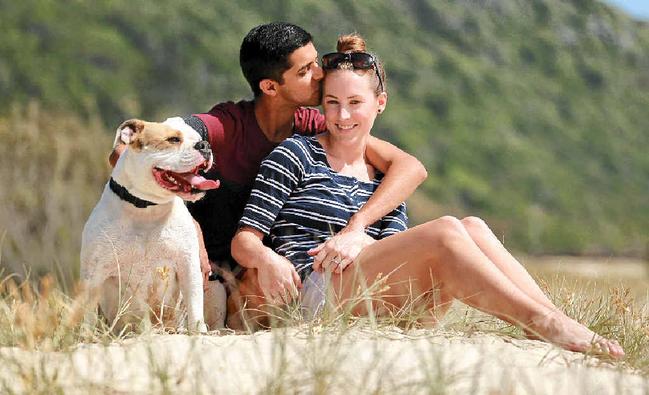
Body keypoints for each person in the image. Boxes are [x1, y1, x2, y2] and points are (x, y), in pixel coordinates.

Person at [231, 33, 625, 358]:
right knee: (446, 230)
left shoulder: (384, 179)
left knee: (472, 226)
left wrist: (359, 234)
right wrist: (267, 258)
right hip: (316, 293)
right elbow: (244, 242)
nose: (342, 116)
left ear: (379, 104)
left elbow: (393, 249)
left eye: (355, 103)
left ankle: (553, 318)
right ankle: (543, 323)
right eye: (332, 103)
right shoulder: (295, 154)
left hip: (387, 303)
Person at [110, 23, 426, 314]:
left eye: (315, 61)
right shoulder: (224, 126)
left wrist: (358, 227)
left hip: (260, 277)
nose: (319, 74)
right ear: (271, 87)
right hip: (198, 273)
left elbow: (409, 167)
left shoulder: (314, 125)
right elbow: (129, 152)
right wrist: (184, 221)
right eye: (305, 70)